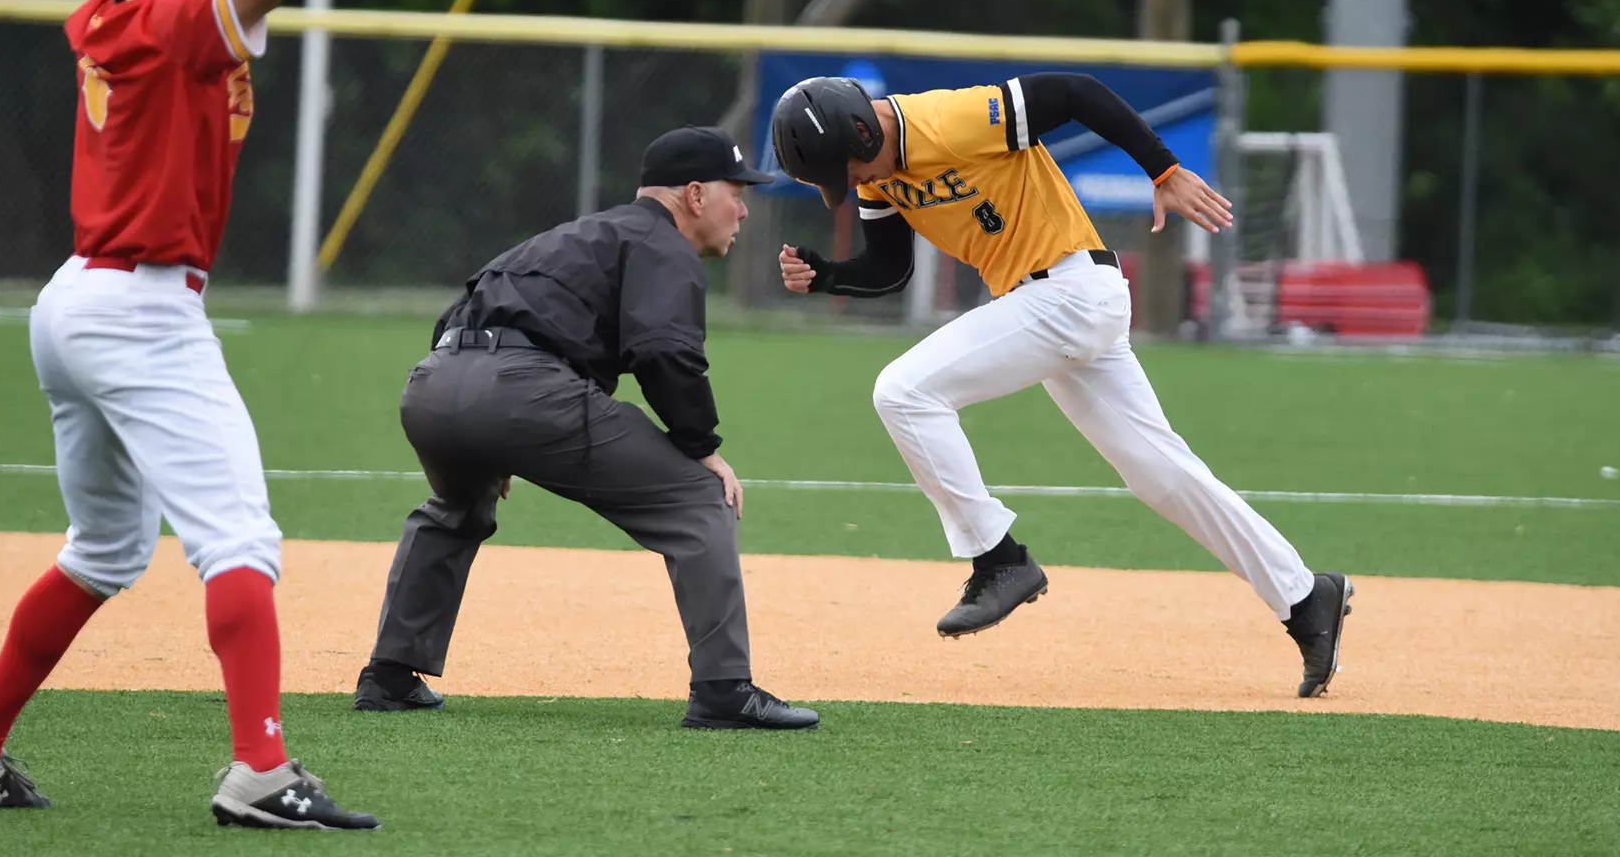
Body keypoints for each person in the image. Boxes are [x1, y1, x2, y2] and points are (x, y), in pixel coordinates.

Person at [0, 0, 404, 829]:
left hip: (78, 303)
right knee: (240, 540)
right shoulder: (179, 21)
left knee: (101, 553)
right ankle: (261, 772)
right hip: (140, 312)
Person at [770, 74, 1354, 697]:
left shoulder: (952, 119)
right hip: (1056, 306)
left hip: (1068, 292)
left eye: (847, 168)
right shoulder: (877, 172)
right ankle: (1305, 598)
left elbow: (1077, 94)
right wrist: (828, 277)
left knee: (903, 392)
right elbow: (890, 267)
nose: (852, 182)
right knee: (1161, 474)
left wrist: (1163, 170)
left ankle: (999, 560)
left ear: (865, 132)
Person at [353, 126, 819, 731]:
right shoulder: (663, 243)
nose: (744, 209)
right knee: (701, 498)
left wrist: (485, 434)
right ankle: (724, 690)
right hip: (520, 392)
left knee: (456, 508)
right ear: (696, 194)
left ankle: (389, 676)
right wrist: (702, 447)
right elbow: (664, 352)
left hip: (434, 387)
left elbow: (459, 313)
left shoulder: (568, 236)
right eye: (737, 192)